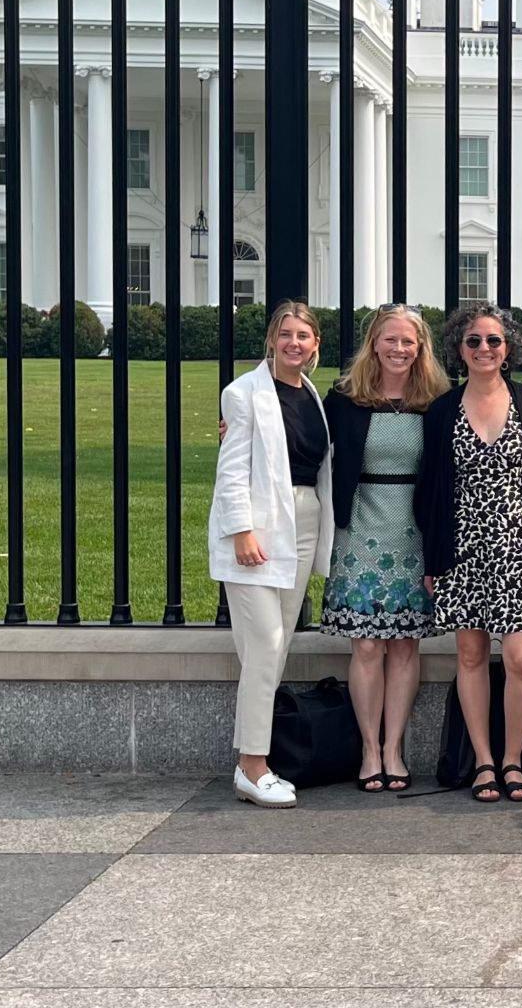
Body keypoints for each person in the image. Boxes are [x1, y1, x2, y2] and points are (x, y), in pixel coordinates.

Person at [415, 302, 522, 804]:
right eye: (474, 340)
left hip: (521, 546)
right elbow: (430, 491)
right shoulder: (441, 411)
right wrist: (434, 559)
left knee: (520, 657)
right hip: (462, 549)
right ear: (459, 349)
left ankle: (513, 760)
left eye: (493, 340)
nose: (484, 348)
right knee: (471, 653)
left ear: (509, 348)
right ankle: (482, 760)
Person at [208, 300, 334, 808]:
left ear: (315, 345)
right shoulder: (244, 393)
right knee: (266, 641)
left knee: (276, 648)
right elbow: (233, 468)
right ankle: (253, 766)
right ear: (272, 339)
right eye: (286, 333)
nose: (294, 343)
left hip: (302, 525)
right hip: (258, 530)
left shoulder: (313, 396)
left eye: (304, 335)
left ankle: (252, 761)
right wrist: (241, 531)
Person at [318, 305, 450, 792]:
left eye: (408, 342)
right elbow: (301, 440)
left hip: (414, 532)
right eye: (390, 339)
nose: (399, 349)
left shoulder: (436, 401)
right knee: (368, 643)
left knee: (404, 645)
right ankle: (368, 750)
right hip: (360, 530)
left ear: (421, 349)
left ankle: (394, 748)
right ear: (374, 343)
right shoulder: (344, 398)